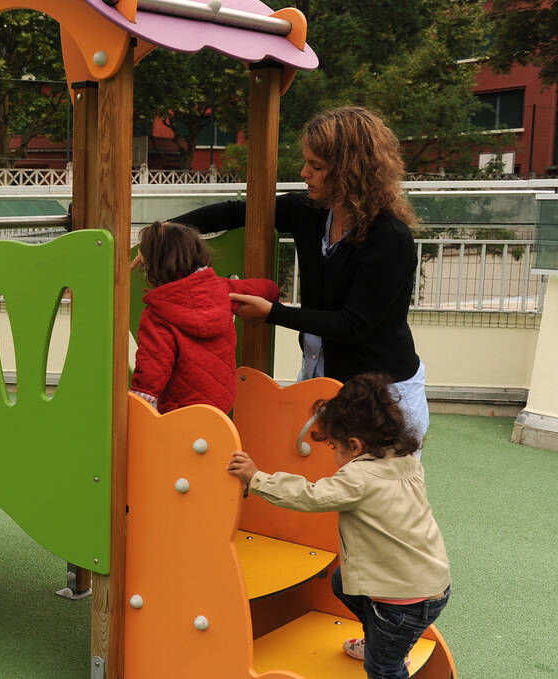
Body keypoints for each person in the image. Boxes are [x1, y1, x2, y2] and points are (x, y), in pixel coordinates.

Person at [173, 106, 429, 450]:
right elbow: (238, 212)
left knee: (379, 497)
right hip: (322, 378)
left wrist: (272, 313)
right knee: (321, 486)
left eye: (317, 166)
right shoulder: (311, 212)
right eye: (307, 162)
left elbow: (355, 324)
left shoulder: (389, 239)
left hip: (382, 394)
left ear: (350, 172)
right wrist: (170, 233)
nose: (304, 172)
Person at [227, 373, 450, 679]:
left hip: (399, 603)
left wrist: (257, 477)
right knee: (341, 582)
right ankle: (385, 643)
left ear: (355, 446)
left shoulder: (359, 479)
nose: (334, 455)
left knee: (382, 669)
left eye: (335, 447)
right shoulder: (406, 458)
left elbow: (309, 496)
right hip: (431, 585)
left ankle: (388, 650)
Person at [131, 221, 280, 414]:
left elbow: (152, 372)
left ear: (152, 267)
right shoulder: (221, 289)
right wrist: (270, 300)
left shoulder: (157, 314)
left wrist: (136, 405)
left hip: (178, 414)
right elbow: (267, 288)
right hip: (220, 410)